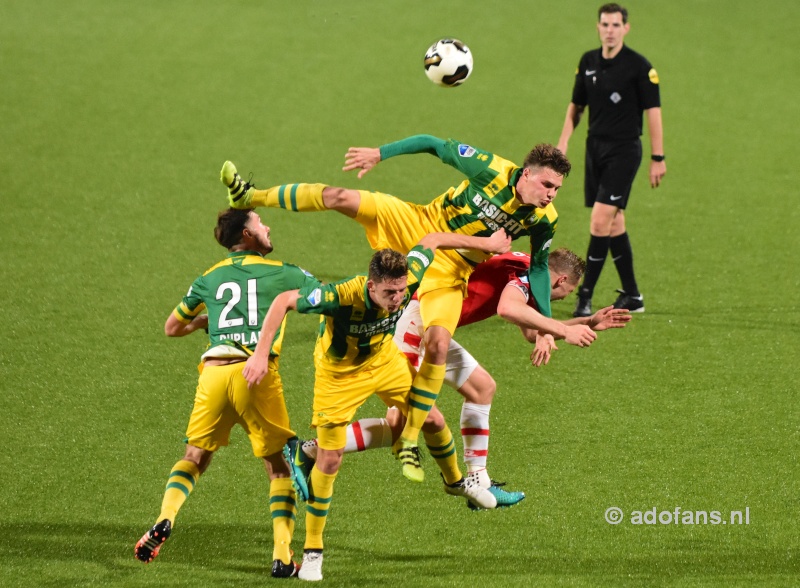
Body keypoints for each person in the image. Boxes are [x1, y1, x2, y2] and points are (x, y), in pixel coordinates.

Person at [221, 136, 597, 483]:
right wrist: (379, 154)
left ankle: (411, 438)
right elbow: (434, 144)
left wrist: (547, 326)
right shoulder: (489, 168)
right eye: (547, 185)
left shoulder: (544, 220)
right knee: (339, 197)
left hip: (451, 273)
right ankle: (252, 196)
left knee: (438, 343)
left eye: (557, 189)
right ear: (527, 174)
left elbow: (538, 271)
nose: (551, 195)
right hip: (418, 223)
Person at [241, 230, 511, 581]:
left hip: (384, 363)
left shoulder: (410, 275)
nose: (398, 298)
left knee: (431, 418)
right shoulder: (338, 296)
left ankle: (455, 482)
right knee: (331, 458)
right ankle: (312, 550)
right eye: (389, 293)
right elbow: (283, 302)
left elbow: (430, 240)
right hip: (338, 377)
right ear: (371, 286)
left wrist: (488, 245)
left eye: (401, 291)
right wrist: (261, 354)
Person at [288, 248, 630, 510]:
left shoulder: (525, 267)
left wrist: (585, 324)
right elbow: (508, 310)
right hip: (414, 328)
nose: (559, 301)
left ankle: (477, 480)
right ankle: (310, 450)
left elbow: (530, 330)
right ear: (561, 281)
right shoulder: (526, 276)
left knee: (482, 388)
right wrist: (557, 330)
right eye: (564, 295)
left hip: (434, 327)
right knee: (403, 424)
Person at [134, 208, 320, 578]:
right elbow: (327, 299)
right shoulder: (286, 271)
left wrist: (206, 320)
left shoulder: (210, 276)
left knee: (195, 455)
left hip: (215, 375)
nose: (267, 227)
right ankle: (283, 557)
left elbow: (173, 327)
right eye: (260, 223)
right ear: (248, 236)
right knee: (279, 466)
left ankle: (165, 518)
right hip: (257, 376)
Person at [557, 3, 666, 317]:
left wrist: (658, 157)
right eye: (605, 24)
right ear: (598, 27)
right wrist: (564, 141)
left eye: (616, 25)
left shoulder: (639, 67)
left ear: (625, 29)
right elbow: (576, 106)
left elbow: (654, 113)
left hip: (625, 151)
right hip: (595, 149)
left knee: (599, 221)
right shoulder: (588, 61)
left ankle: (585, 297)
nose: (610, 30)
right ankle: (632, 295)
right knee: (614, 222)